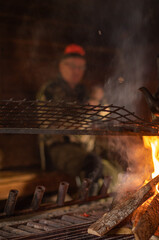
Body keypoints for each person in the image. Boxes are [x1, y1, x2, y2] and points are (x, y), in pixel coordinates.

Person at [37, 44, 103, 185]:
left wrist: (98, 103)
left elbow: (104, 114)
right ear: (61, 66)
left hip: (86, 148)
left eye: (81, 67)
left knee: (114, 168)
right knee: (93, 165)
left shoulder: (83, 91)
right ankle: (88, 203)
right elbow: (57, 119)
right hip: (60, 148)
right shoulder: (51, 90)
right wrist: (89, 108)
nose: (77, 71)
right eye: (72, 66)